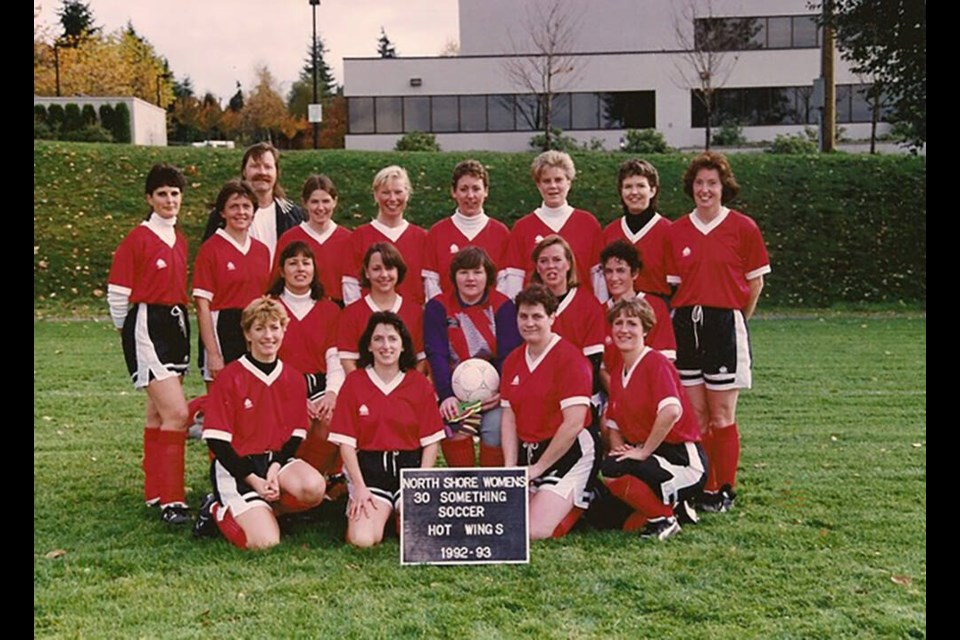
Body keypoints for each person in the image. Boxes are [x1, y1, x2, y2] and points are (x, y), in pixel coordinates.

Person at [667, 151, 771, 512]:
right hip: (685, 324)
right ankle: (702, 484)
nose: (705, 190)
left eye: (712, 183)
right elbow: (673, 287)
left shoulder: (743, 228)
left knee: (722, 415)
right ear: (690, 187)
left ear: (724, 187)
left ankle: (724, 488)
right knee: (695, 416)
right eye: (699, 183)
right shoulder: (677, 230)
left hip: (724, 323)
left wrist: (735, 319)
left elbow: (754, 283)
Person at [193, 297, 326, 549]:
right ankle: (215, 509)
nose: (268, 335)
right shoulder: (230, 377)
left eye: (275, 327)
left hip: (273, 461)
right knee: (265, 542)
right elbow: (217, 442)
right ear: (247, 334)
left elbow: (295, 436)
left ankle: (266, 509)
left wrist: (274, 470)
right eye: (260, 328)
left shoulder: (293, 378)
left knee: (314, 488)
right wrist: (254, 479)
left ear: (284, 330)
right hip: (236, 466)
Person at [107, 163, 192, 525]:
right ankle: (173, 499)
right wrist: (127, 334)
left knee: (158, 413)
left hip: (176, 326)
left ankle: (155, 491)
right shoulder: (137, 239)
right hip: (147, 326)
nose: (169, 200)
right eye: (162, 194)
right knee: (177, 414)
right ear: (149, 198)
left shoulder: (181, 238)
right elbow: (117, 294)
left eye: (174, 193)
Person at [328, 312, 445, 548]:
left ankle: (398, 512)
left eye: (392, 339)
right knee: (362, 540)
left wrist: (420, 483)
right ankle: (381, 512)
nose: (386, 346)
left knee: (419, 537)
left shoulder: (418, 383)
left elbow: (431, 442)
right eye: (378, 339)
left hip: (408, 471)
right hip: (371, 474)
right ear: (369, 346)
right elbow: (346, 443)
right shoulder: (354, 383)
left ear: (403, 346)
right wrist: (359, 488)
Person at [600, 297, 706, 540]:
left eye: (632, 324)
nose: (623, 329)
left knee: (611, 471)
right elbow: (614, 425)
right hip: (654, 458)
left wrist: (643, 451)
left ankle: (665, 519)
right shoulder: (618, 373)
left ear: (646, 329)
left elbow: (670, 411)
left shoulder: (656, 362)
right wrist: (621, 453)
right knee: (612, 517)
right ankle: (674, 507)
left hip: (682, 459)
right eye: (618, 323)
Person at [500, 284, 598, 540]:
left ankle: (587, 500)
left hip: (569, 451)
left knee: (533, 531)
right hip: (531, 452)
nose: (529, 323)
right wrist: (511, 467)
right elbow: (509, 417)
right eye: (523, 316)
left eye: (537, 316)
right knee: (506, 518)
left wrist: (538, 469)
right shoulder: (512, 360)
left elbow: (573, 424)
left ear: (552, 318)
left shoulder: (571, 359)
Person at [423, 246, 522, 468]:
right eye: (463, 272)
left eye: (477, 272)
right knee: (453, 424)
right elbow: (436, 353)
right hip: (453, 391)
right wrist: (446, 394)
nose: (470, 278)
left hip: (494, 392)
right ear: (454, 276)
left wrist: (502, 392)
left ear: (487, 275)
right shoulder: (437, 307)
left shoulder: (504, 306)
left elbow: (510, 354)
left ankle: (491, 487)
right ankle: (464, 486)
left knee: (496, 427)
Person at [267, 241, 344, 478]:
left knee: (332, 419)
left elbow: (334, 357)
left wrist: (331, 393)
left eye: (306, 263)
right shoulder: (269, 306)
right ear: (282, 271)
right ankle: (288, 483)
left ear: (314, 269)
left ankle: (318, 479)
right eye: (293, 263)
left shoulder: (329, 309)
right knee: (299, 420)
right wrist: (297, 397)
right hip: (280, 384)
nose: (300, 269)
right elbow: (265, 359)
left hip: (318, 383)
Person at [192, 180, 272, 387]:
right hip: (223, 330)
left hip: (255, 330)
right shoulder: (210, 249)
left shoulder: (262, 250)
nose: (241, 212)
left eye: (246, 206)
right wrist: (213, 353)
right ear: (222, 212)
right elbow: (202, 305)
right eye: (234, 206)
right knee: (222, 406)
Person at [499, 151, 605, 302]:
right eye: (546, 181)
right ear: (538, 185)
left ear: (569, 182)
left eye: (558, 180)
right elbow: (513, 281)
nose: (553, 186)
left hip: (580, 313)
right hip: (536, 315)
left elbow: (598, 279)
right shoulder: (523, 227)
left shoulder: (588, 223)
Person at [530, 235, 605, 420]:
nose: (551, 266)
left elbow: (593, 362)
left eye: (557, 259)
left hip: (579, 394)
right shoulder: (529, 304)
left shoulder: (588, 304)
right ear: (538, 268)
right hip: (539, 392)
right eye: (544, 261)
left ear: (569, 264)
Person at [422, 160, 510, 300]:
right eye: (463, 189)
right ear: (454, 192)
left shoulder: (500, 233)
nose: (470, 196)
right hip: (448, 319)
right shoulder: (437, 232)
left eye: (476, 189)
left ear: (486, 191)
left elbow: (505, 284)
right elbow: (431, 284)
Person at [201, 142, 304, 263]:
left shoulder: (294, 215)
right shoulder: (222, 215)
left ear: (277, 172)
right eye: (255, 166)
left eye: (268, 167)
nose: (262, 172)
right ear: (244, 171)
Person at [341, 165, 428, 307]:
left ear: (407, 194)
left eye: (398, 192)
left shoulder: (422, 238)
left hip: (413, 321)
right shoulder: (359, 237)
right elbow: (350, 285)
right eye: (386, 192)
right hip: (372, 323)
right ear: (376, 195)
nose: (392, 198)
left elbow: (429, 285)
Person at [599, 239, 676, 395]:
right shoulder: (598, 312)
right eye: (608, 271)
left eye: (620, 271)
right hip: (613, 395)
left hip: (650, 392)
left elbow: (665, 359)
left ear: (634, 273)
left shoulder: (654, 306)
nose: (613, 278)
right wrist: (620, 397)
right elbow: (601, 367)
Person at [338, 243, 426, 374]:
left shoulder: (416, 312)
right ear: (367, 272)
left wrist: (409, 388)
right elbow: (348, 360)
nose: (384, 274)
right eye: (376, 269)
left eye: (389, 268)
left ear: (398, 271)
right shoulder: (351, 313)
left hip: (407, 390)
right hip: (365, 390)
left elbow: (421, 359)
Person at [274, 174, 352, 307]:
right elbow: (276, 281)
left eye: (326, 201)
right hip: (299, 308)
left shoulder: (349, 239)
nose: (320, 208)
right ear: (305, 203)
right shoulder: (289, 238)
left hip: (338, 311)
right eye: (314, 202)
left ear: (335, 201)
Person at [602, 159, 672, 300]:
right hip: (619, 313)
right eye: (628, 186)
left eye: (640, 186)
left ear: (652, 190)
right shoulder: (609, 232)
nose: (634, 192)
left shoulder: (670, 232)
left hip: (657, 311)